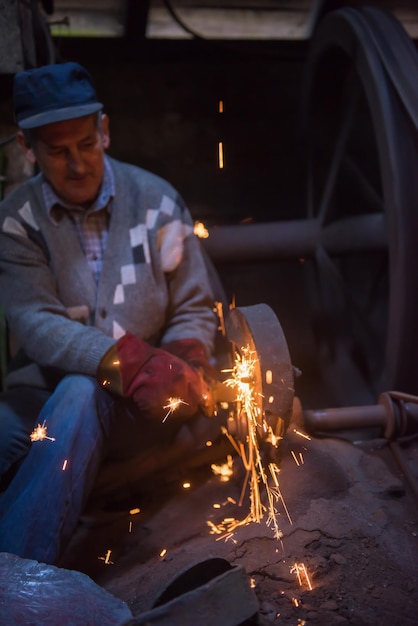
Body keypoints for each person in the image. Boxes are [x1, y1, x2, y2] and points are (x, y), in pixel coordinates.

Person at [0, 62, 219, 565]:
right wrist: (126, 360)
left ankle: (22, 580)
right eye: (57, 152)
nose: (77, 165)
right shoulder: (16, 221)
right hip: (42, 396)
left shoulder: (158, 202)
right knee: (70, 395)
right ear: (26, 148)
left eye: (85, 144)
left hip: (141, 406)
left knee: (82, 395)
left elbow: (193, 305)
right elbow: (35, 322)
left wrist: (184, 354)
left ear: (105, 129)